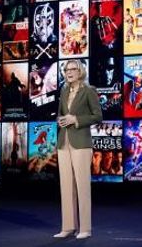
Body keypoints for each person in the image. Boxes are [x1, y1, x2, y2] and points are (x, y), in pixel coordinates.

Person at [54, 60, 103, 240]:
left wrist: (76, 119)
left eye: (73, 69)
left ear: (80, 71)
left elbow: (98, 116)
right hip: (63, 142)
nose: (69, 72)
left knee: (82, 187)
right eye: (67, 70)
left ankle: (85, 228)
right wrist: (61, 119)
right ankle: (67, 227)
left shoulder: (88, 91)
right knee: (66, 187)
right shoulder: (64, 91)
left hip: (81, 143)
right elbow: (60, 113)